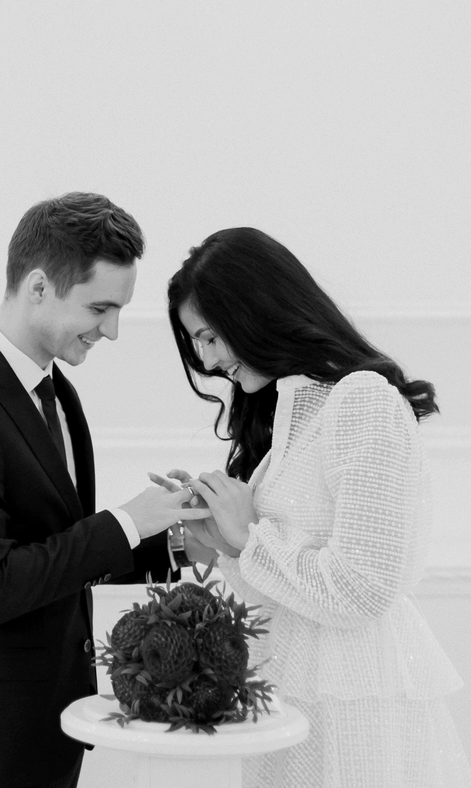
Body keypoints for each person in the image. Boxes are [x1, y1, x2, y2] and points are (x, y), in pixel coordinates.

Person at [0, 192, 211, 788]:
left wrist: (178, 544)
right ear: (39, 287)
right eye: (100, 308)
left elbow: (58, 550)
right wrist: (126, 521)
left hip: (55, 723)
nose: (112, 331)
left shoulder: (56, 389)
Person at [162, 227, 471, 788]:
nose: (207, 360)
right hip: (296, 687)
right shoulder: (286, 416)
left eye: (209, 337)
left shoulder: (361, 398)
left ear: (254, 312)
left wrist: (249, 536)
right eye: (196, 343)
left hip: (358, 698)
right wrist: (223, 540)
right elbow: (289, 589)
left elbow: (362, 589)